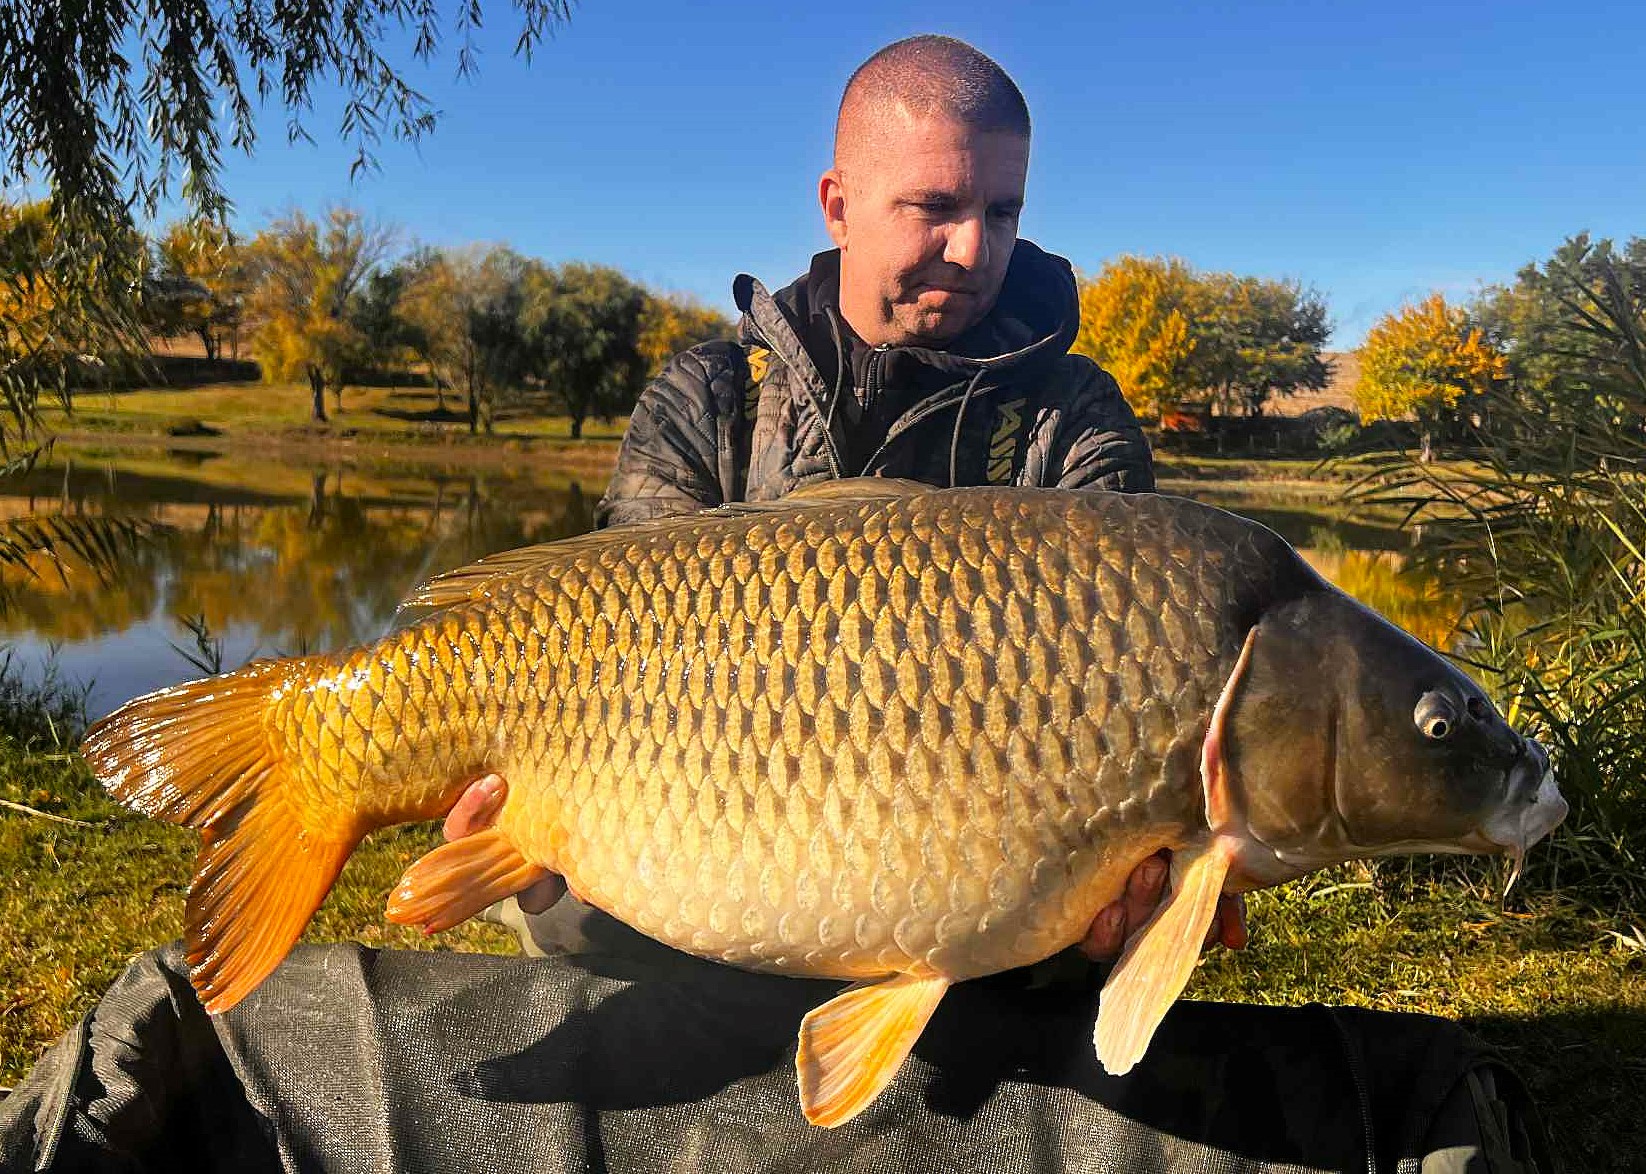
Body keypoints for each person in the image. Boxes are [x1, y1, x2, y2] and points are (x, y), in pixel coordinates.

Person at [443, 33, 1248, 966]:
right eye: (935, 206)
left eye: (1002, 210)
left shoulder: (1072, 419)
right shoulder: (710, 398)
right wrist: (530, 851)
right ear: (838, 206)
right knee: (565, 901)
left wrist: (1149, 887)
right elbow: (614, 642)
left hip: (973, 921)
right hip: (696, 875)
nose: (974, 247)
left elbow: (1138, 700)